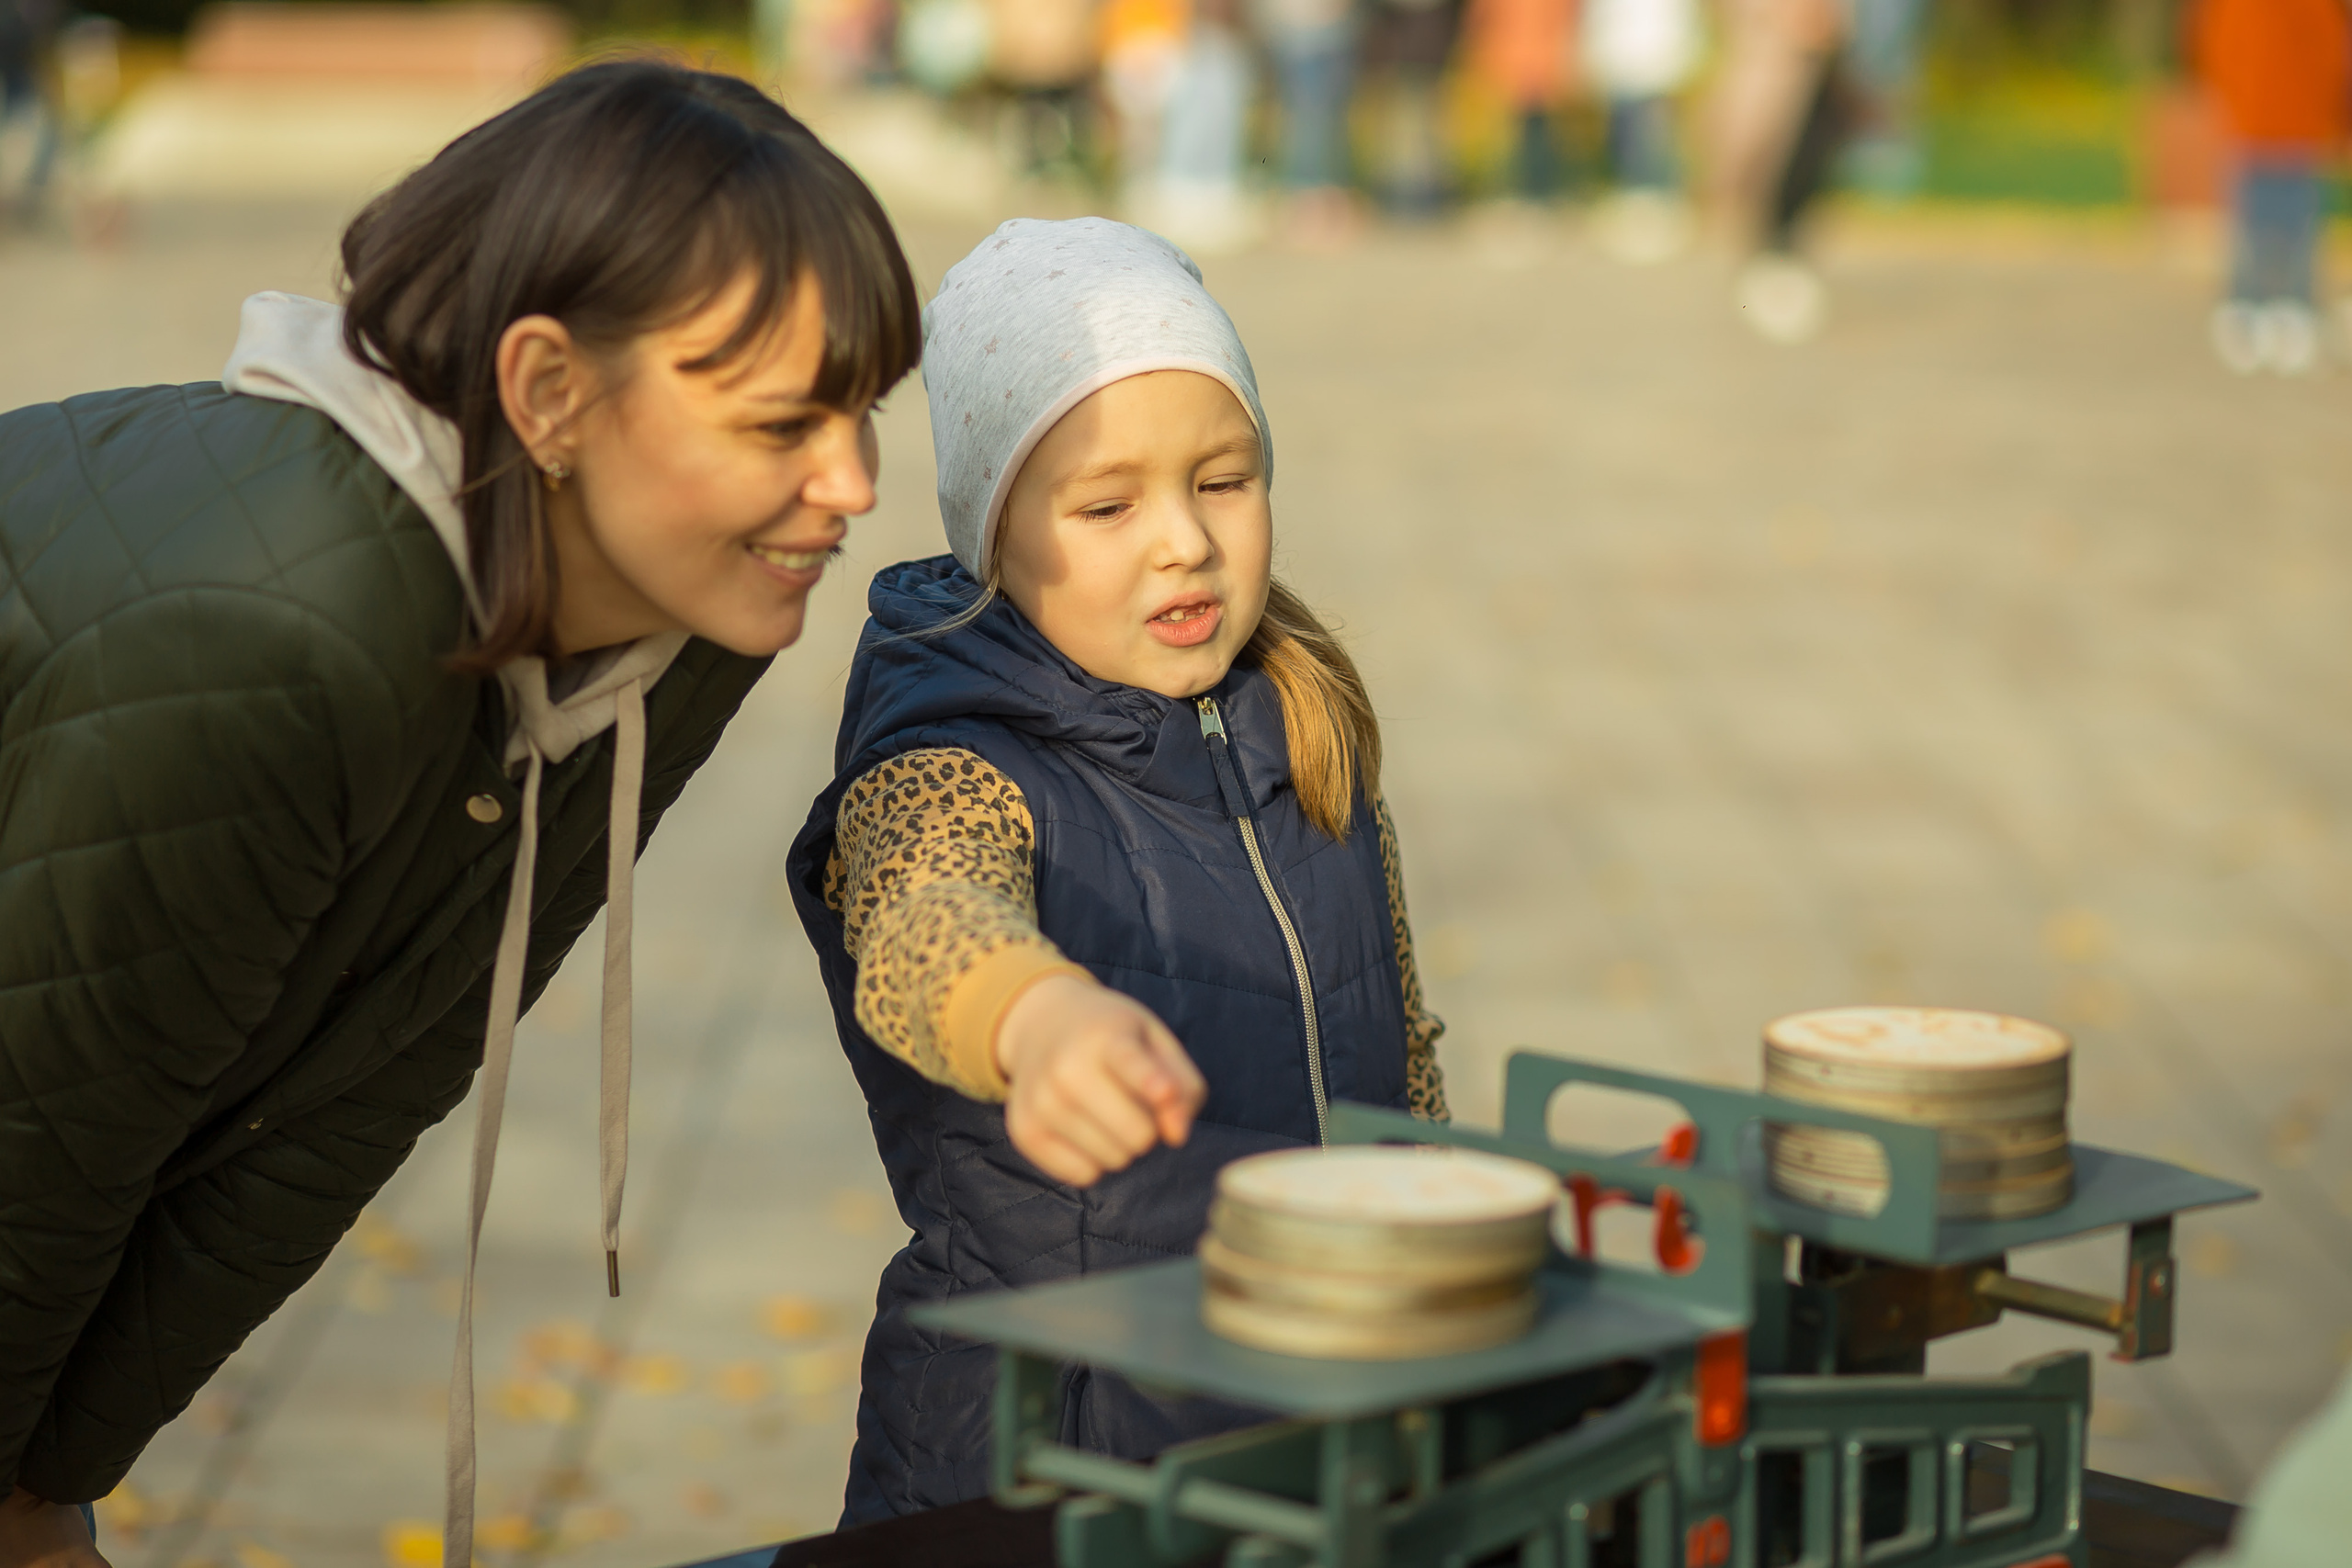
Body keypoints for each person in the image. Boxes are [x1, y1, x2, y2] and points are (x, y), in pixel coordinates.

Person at [0, 61, 920, 1568]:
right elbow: (43, 1141)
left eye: (864, 410)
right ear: (550, 393)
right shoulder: (277, 637)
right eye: (781, 423)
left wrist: (54, 1475)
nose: (854, 483)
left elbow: (363, 1082)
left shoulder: (686, 616)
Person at [786, 217, 1450, 1519]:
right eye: (1107, 504)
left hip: (1323, 1427)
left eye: (1224, 480)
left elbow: (1402, 1045)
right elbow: (923, 919)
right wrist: (1033, 1016)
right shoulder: (951, 760)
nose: (1184, 541)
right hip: (1052, 1454)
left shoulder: (1304, 722)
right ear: (995, 532)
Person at [2189, 0, 2351, 377]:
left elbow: (2331, 54)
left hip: (2284, 130)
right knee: (2273, 229)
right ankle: (2261, 311)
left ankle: (2272, 312)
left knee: (2277, 230)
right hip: (2271, 128)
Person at [1706, 0, 1848, 343]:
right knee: (1764, 174)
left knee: (1796, 177)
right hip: (1772, 75)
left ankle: (1779, 259)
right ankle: (1768, 262)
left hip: (1803, 79)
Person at [1581, 0, 1702, 262]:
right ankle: (1636, 201)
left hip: (1657, 57)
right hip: (1622, 58)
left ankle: (1660, 203)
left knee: (1655, 136)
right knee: (1626, 135)